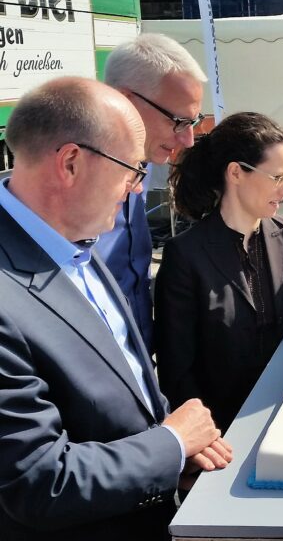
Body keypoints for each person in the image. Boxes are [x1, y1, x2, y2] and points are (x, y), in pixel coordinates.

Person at [0, 77, 231, 541]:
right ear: (70, 163)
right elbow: (38, 481)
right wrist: (170, 444)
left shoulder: (77, 241)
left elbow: (125, 381)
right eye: (134, 169)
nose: (137, 190)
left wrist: (176, 459)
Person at [153, 112, 283, 432]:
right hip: (219, 435)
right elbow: (176, 374)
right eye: (277, 177)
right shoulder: (185, 256)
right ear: (236, 173)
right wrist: (205, 441)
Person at [96, 33, 207, 349]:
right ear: (125, 101)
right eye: (178, 121)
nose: (187, 139)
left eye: (193, 122)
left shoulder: (135, 179)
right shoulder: (54, 203)